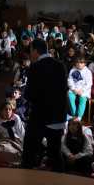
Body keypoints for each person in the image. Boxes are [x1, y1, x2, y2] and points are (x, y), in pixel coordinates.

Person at [21, 39, 68, 172]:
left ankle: (26, 177)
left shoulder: (35, 67)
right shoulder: (60, 65)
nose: (30, 54)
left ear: (35, 51)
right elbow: (64, 89)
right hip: (58, 116)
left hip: (40, 117)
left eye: (31, 50)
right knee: (55, 153)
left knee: (29, 152)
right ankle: (60, 179)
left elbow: (30, 94)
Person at [68, 56, 93, 121]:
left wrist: (82, 90)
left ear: (84, 64)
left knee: (83, 99)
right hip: (74, 89)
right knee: (70, 96)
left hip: (84, 90)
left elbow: (89, 83)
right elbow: (69, 80)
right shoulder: (72, 70)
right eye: (78, 63)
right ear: (75, 63)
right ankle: (74, 114)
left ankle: (79, 116)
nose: (79, 64)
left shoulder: (88, 72)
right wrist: (73, 89)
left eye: (81, 63)